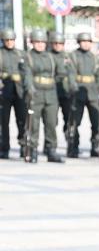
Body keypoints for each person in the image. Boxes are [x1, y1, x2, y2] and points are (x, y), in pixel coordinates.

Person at [26, 30, 63, 164]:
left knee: (51, 124)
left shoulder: (51, 57)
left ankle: (51, 150)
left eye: (42, 42)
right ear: (32, 43)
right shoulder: (28, 57)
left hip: (51, 94)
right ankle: (32, 150)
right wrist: (29, 87)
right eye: (37, 42)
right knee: (33, 125)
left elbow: (60, 73)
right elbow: (27, 74)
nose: (40, 45)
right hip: (36, 94)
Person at [66, 32, 99, 159]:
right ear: (79, 42)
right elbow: (70, 73)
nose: (86, 44)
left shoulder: (94, 57)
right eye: (84, 41)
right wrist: (72, 85)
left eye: (88, 42)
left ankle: (95, 146)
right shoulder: (73, 56)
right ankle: (73, 147)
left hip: (92, 92)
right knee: (75, 122)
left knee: (96, 122)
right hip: (78, 92)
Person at [1, 28, 33, 160]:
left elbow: (27, 72)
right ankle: (3, 148)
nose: (9, 42)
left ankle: (23, 146)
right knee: (3, 122)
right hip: (4, 91)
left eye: (11, 40)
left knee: (22, 120)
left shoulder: (21, 54)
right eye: (7, 40)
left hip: (20, 91)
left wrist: (29, 87)